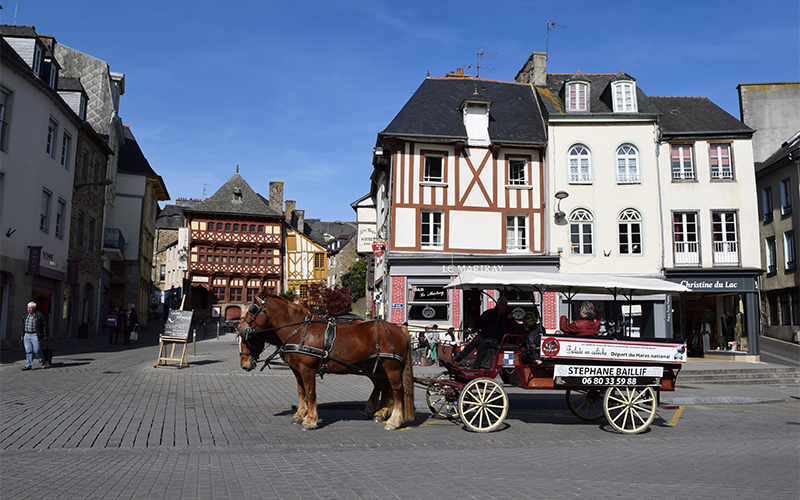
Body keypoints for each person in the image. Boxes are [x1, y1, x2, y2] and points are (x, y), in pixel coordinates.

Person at [453, 296, 516, 369]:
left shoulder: (507, 316)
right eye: (502, 305)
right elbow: (479, 323)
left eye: (505, 305)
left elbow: (512, 329)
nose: (504, 307)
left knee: (483, 345)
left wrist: (510, 320)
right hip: (485, 336)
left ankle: (476, 366)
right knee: (476, 340)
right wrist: (474, 330)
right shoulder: (489, 313)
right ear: (498, 305)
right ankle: (459, 357)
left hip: (498, 339)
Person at [21, 302, 49, 370]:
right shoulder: (25, 315)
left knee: (36, 350)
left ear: (34, 308)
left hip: (35, 334)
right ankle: (28, 365)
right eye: (28, 308)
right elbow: (23, 326)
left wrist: (44, 335)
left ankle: (42, 362)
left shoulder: (39, 315)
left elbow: (44, 325)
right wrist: (22, 334)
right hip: (27, 334)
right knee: (28, 350)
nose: (29, 309)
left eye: (31, 308)